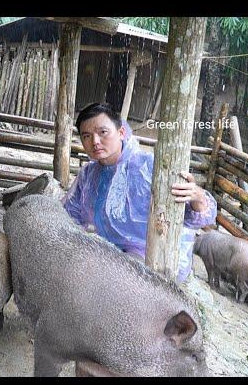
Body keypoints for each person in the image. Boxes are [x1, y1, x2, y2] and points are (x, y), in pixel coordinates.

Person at [62, 102, 217, 283]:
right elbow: (69, 214)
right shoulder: (89, 175)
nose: (95, 142)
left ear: (121, 132)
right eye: (86, 136)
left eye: (102, 132)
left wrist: (198, 197)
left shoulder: (151, 168)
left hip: (154, 259)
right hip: (110, 250)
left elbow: (193, 219)